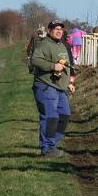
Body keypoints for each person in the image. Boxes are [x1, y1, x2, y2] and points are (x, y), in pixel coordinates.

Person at [31, 19, 75, 157]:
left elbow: (64, 65)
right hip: (46, 86)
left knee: (65, 115)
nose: (59, 31)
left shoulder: (61, 45)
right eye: (55, 28)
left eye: (61, 29)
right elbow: (35, 60)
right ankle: (47, 148)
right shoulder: (44, 44)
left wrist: (68, 82)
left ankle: (52, 143)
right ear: (49, 30)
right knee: (50, 117)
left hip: (60, 87)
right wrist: (52, 66)